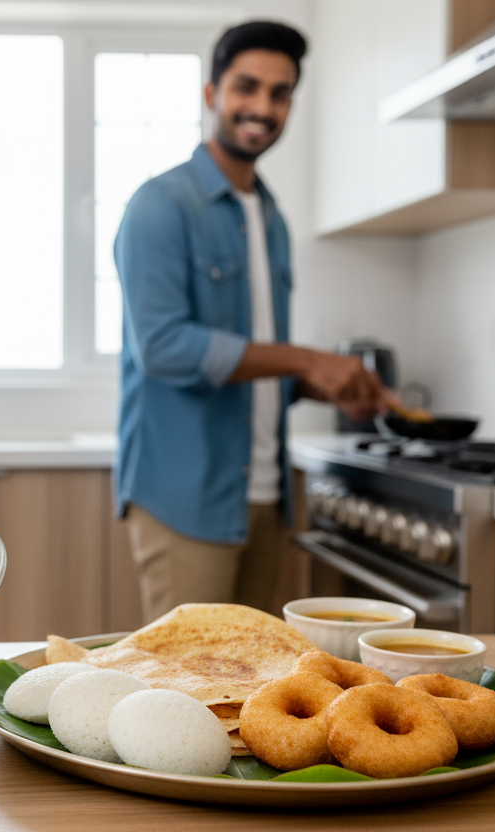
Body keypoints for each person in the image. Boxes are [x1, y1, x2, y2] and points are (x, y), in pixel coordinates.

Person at [114, 20, 399, 623]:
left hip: (266, 496)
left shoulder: (270, 218)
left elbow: (253, 361)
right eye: (247, 87)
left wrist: (319, 384)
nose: (263, 107)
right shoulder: (160, 207)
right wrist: (305, 358)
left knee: (252, 693)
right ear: (212, 92)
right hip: (186, 498)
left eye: (280, 92)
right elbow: (163, 347)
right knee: (186, 690)